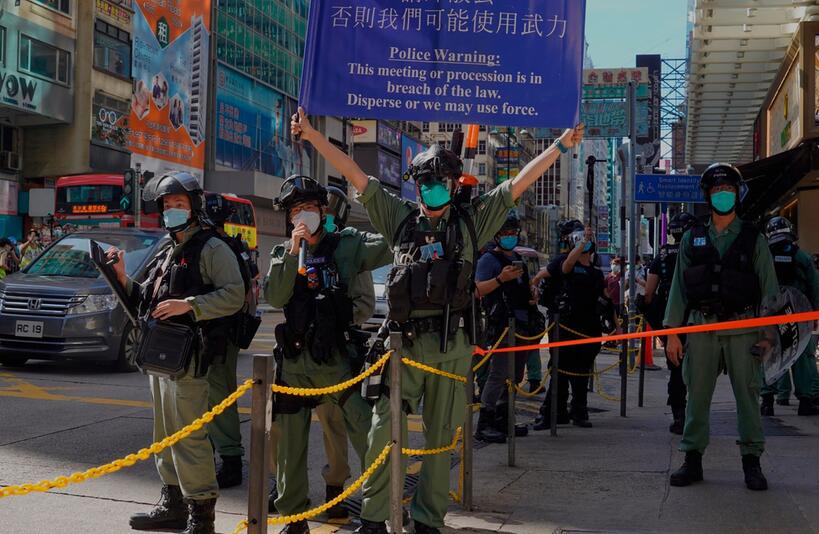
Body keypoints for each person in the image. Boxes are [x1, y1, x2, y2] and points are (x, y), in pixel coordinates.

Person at [292, 107, 583, 534]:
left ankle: (428, 518)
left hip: (453, 346)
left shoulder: (471, 222)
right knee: (382, 431)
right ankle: (375, 518)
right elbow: (355, 173)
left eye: (440, 182)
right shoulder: (400, 219)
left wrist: (559, 146)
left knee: (441, 437)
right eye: (425, 182)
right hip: (404, 347)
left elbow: (516, 185)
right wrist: (314, 136)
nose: (432, 189)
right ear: (416, 187)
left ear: (451, 185)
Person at [110, 171, 245, 534]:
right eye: (167, 205)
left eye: (179, 204)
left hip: (191, 360)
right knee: (163, 436)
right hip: (161, 358)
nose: (172, 210)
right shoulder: (170, 249)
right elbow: (148, 300)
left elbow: (234, 294)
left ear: (194, 206)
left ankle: (202, 516)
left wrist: (190, 305)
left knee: (189, 437)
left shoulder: (212, 247)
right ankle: (172, 504)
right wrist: (122, 277)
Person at [264, 176, 390, 533]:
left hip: (338, 362)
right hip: (294, 366)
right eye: (295, 210)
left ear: (324, 211)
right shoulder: (282, 253)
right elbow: (275, 297)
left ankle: (380, 508)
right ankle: (293, 516)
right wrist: (293, 250)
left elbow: (390, 243)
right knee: (288, 446)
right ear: (289, 219)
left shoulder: (348, 246)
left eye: (309, 208)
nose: (303, 216)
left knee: (368, 436)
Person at [663, 163, 778, 492]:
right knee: (696, 397)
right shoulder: (692, 238)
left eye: (728, 190)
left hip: (743, 329)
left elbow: (770, 289)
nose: (722, 196)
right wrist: (673, 332)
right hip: (701, 330)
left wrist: (769, 335)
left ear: (737, 194)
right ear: (707, 196)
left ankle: (752, 462)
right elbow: (678, 291)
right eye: (716, 191)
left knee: (748, 397)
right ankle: (692, 459)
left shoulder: (754, 238)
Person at [201, 193, 260, 489]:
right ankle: (222, 455)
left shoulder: (216, 247)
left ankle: (231, 460)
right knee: (216, 395)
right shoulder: (236, 245)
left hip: (219, 333)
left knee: (219, 396)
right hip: (224, 331)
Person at [474, 212, 544, 443]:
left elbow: (523, 290)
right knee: (498, 374)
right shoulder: (488, 260)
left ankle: (504, 419)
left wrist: (532, 295)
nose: (510, 237)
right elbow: (477, 290)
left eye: (513, 233)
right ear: (496, 236)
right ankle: (485, 423)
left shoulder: (517, 258)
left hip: (523, 326)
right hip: (502, 326)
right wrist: (500, 279)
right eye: (506, 233)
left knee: (515, 375)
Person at [531, 220, 607, 430]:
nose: (585, 241)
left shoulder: (596, 272)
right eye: (580, 236)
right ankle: (553, 413)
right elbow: (557, 270)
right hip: (564, 326)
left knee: (582, 372)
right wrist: (581, 244)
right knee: (559, 371)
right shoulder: (565, 262)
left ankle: (579, 411)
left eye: (586, 237)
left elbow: (604, 298)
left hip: (589, 327)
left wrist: (616, 325)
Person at [759, 216, 819, 417]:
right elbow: (813, 285)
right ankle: (805, 401)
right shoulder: (801, 256)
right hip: (798, 314)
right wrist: (813, 315)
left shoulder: (764, 254)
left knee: (769, 356)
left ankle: (767, 401)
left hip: (771, 315)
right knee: (801, 356)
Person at [643, 212, 698, 435]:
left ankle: (679, 416)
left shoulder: (663, 255)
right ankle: (696, 415)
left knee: (675, 368)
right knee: (698, 368)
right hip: (697, 318)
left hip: (670, 321)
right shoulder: (699, 252)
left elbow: (648, 293)